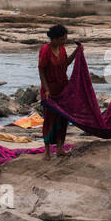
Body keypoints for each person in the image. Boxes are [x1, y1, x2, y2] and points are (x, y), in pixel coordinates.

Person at [38, 24, 77, 159]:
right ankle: (47, 151)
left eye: (65, 39)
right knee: (49, 119)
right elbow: (41, 70)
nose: (63, 41)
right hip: (50, 90)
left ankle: (60, 148)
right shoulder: (45, 50)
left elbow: (66, 63)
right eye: (61, 39)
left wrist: (77, 51)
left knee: (62, 118)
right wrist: (47, 90)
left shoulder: (62, 49)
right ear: (53, 39)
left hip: (62, 89)